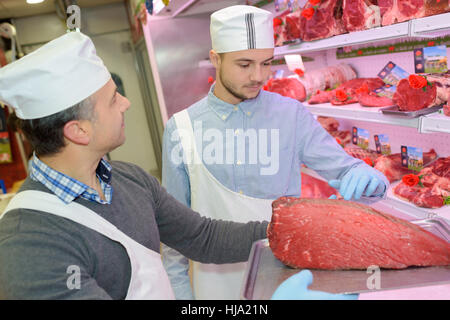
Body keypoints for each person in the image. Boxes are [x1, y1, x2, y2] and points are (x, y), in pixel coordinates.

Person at [0, 31, 270, 299]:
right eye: (113, 99)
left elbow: (202, 237)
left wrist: (282, 232)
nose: (126, 104)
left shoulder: (130, 179)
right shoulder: (28, 245)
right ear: (78, 131)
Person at [161, 5, 389, 300]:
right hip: (216, 288)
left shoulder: (291, 115)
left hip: (288, 282)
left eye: (266, 63)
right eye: (244, 64)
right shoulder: (181, 129)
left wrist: (369, 179)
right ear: (216, 59)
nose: (258, 76)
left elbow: (348, 173)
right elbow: (175, 237)